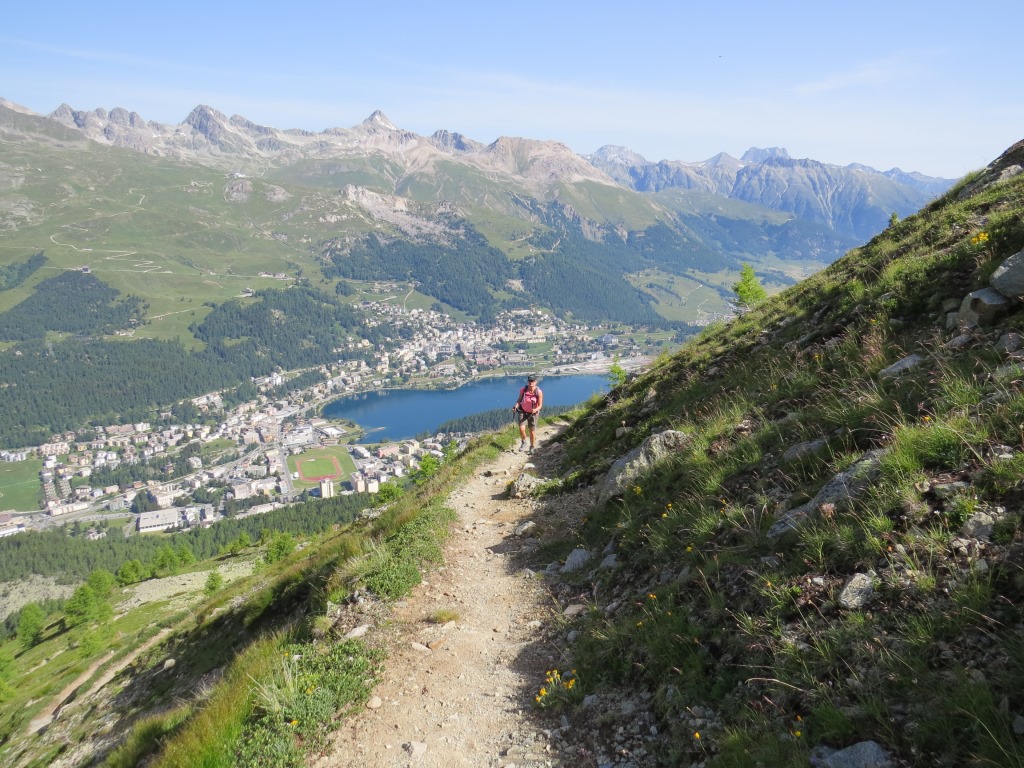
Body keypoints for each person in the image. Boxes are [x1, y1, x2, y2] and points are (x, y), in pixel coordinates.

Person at [513, 374, 543, 453]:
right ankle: (524, 442)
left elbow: (540, 406)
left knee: (532, 431)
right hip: (523, 411)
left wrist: (535, 409)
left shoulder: (538, 392)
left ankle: (532, 446)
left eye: (532, 381)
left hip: (533, 414)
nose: (531, 383)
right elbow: (519, 400)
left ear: (536, 382)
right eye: (529, 381)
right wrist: (516, 406)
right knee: (521, 428)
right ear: (528, 381)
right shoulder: (523, 390)